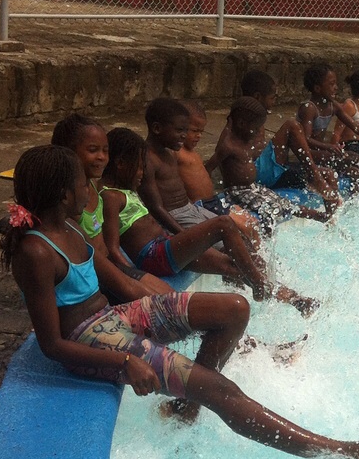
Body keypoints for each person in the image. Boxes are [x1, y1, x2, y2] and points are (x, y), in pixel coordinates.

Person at [2, 145, 359, 459]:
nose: (90, 190)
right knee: (221, 390)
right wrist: (124, 363)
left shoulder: (69, 228)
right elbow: (52, 345)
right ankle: (342, 453)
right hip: (88, 338)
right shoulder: (36, 252)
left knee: (234, 309)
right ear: (64, 194)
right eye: (82, 185)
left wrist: (159, 302)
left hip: (112, 316)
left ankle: (186, 406)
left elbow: (113, 277)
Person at [139, 97, 318, 315]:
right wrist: (184, 234)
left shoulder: (168, 151)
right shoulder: (148, 159)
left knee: (245, 245)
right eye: (180, 130)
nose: (184, 136)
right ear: (157, 128)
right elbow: (156, 207)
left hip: (191, 209)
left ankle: (261, 291)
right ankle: (286, 297)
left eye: (186, 130)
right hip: (178, 218)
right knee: (233, 258)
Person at [99, 125, 271, 293]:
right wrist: (136, 278)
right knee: (224, 224)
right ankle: (260, 286)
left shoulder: (123, 190)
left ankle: (248, 296)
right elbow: (112, 247)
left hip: (165, 246)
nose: (142, 173)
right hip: (154, 255)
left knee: (233, 266)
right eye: (139, 167)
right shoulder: (110, 197)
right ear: (120, 163)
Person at [51, 112, 174, 304]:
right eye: (93, 150)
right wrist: (127, 279)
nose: (101, 157)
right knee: (163, 304)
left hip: (111, 263)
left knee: (170, 294)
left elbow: (109, 244)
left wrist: (131, 272)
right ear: (68, 152)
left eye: (105, 150)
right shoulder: (69, 201)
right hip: (96, 275)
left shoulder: (93, 185)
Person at [214, 97, 335, 235]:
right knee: (269, 211)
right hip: (239, 191)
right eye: (271, 96)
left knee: (285, 205)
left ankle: (323, 217)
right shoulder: (228, 145)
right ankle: (266, 243)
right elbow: (211, 166)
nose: (257, 132)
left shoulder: (245, 131)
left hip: (253, 186)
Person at [173, 100, 262, 246]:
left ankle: (259, 253)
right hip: (202, 205)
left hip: (213, 201)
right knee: (246, 228)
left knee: (252, 223)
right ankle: (255, 256)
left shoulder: (191, 152)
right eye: (194, 131)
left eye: (201, 132)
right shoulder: (177, 153)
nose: (199, 136)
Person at [297, 64, 359, 193]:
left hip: (321, 153)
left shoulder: (332, 105)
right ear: (317, 88)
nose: (336, 87)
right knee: (348, 158)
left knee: (356, 171)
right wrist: (328, 146)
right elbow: (305, 140)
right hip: (308, 155)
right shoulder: (309, 108)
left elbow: (355, 126)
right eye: (331, 84)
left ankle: (352, 203)